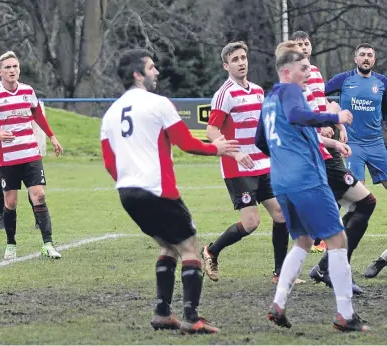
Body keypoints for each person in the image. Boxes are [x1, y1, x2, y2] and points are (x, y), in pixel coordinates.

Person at [101, 49, 240, 334]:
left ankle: (163, 313)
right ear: (138, 74)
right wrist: (217, 148)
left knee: (168, 246)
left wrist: (128, 179)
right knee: (190, 248)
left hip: (128, 193)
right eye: (151, 68)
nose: (157, 72)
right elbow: (185, 142)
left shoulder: (110, 113)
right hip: (158, 190)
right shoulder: (158, 103)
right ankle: (192, 318)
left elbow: (109, 161)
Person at [256, 49, 368, 332]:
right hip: (307, 179)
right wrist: (335, 117)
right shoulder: (290, 91)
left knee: (303, 241)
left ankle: (278, 304)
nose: (308, 73)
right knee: (338, 239)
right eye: (303, 68)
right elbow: (297, 114)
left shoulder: (269, 100)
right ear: (286, 71)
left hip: (282, 181)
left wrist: (285, 155)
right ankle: (345, 315)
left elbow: (261, 140)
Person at [286, 35, 377, 295]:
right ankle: (329, 271)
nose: (304, 48)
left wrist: (336, 122)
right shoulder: (292, 83)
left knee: (348, 208)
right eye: (298, 45)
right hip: (316, 154)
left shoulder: (314, 72)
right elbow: (301, 120)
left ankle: (325, 269)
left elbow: (321, 103)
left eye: (306, 44)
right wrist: (330, 140)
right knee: (362, 203)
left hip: (326, 151)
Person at [200, 41, 295, 285]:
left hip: (262, 164)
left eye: (243, 58)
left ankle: (280, 274)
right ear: (226, 66)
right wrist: (235, 153)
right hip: (237, 168)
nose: (241, 63)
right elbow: (211, 130)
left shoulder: (257, 91)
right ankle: (211, 251)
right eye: (235, 60)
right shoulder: (224, 95)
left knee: (281, 215)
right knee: (251, 223)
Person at [0, 51, 63, 260]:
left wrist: (52, 137)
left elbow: (37, 115)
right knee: (11, 202)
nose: (12, 70)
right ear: (0, 72)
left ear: (19, 69)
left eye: (15, 66)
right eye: (7, 67)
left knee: (39, 195)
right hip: (8, 157)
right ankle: (11, 244)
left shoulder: (28, 91)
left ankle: (48, 244)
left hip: (31, 153)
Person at [325, 42, 387, 189]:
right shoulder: (343, 79)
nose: (366, 58)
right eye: (362, 55)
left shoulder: (382, 82)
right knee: (358, 192)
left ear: (374, 60)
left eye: (369, 55)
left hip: (376, 143)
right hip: (353, 144)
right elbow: (318, 94)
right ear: (355, 59)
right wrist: (331, 113)